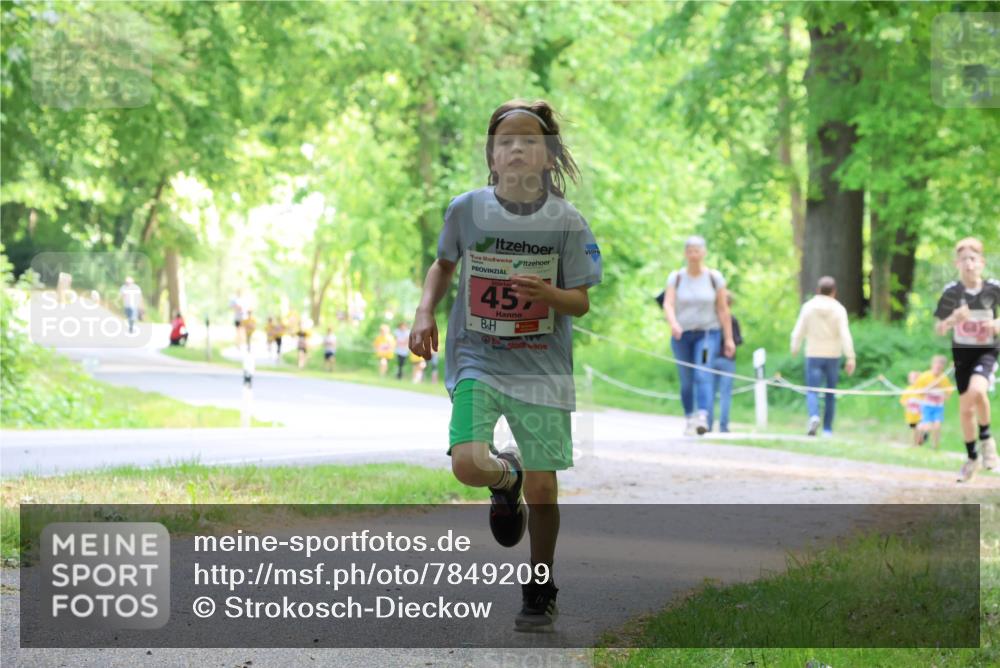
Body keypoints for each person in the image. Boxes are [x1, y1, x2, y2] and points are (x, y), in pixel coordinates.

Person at [409, 100, 601, 632]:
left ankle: (541, 586)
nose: (517, 148)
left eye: (529, 140)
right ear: (492, 157)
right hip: (479, 358)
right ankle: (504, 474)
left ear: (548, 155)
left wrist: (548, 293)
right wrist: (425, 311)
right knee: (468, 463)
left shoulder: (567, 221)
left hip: (541, 370)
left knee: (544, 492)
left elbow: (581, 301)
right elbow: (443, 264)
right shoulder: (466, 209)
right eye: (505, 141)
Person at [933, 237, 1000, 482]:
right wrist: (952, 319)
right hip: (962, 354)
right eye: (964, 260)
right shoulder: (952, 292)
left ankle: (987, 441)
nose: (969, 264)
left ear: (981, 263)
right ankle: (972, 458)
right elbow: (939, 328)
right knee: (965, 409)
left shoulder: (994, 288)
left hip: (987, 351)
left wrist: (995, 324)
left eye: (973, 259)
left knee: (977, 391)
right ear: (957, 263)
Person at [661, 236, 735, 436]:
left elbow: (722, 309)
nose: (694, 254)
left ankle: (703, 415)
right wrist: (673, 323)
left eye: (697, 250)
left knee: (702, 371)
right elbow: (668, 303)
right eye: (690, 250)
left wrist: (728, 338)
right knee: (686, 379)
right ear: (686, 253)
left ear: (704, 253)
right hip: (682, 336)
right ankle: (689, 417)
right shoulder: (676, 278)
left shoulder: (714, 278)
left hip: (707, 335)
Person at [790, 276, 856, 437]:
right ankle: (827, 429)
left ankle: (814, 416)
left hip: (813, 353)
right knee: (830, 392)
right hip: (833, 354)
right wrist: (850, 356)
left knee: (812, 390)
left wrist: (795, 346)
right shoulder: (839, 309)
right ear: (834, 292)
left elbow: (799, 330)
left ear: (818, 290)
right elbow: (845, 334)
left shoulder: (808, 307)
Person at [708, 293, 742, 433]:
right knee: (725, 394)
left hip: (711, 359)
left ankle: (708, 424)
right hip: (727, 360)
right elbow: (738, 340)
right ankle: (723, 426)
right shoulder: (732, 320)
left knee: (709, 392)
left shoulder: (710, 320)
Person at [912, 355, 955, 450]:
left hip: (938, 407)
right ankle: (918, 440)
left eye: (940, 368)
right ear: (932, 365)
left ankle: (935, 447)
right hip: (927, 406)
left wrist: (941, 391)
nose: (938, 369)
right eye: (936, 366)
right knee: (925, 427)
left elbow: (948, 396)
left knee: (937, 426)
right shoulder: (925, 376)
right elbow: (917, 392)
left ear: (943, 367)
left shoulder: (944, 379)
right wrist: (930, 387)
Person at [900, 371, 925, 446]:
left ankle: (919, 441)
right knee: (914, 430)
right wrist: (906, 403)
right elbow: (903, 400)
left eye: (916, 378)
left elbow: (926, 400)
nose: (914, 380)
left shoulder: (922, 390)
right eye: (912, 378)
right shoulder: (908, 390)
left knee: (919, 428)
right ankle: (915, 443)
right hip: (911, 415)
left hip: (920, 415)